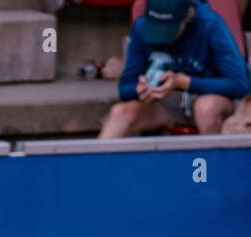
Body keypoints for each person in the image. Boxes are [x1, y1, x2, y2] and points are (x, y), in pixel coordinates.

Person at [100, 0, 250, 137]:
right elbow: (125, 88)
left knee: (205, 108)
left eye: (168, 29)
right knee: (119, 113)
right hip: (165, 103)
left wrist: (183, 82)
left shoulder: (210, 25)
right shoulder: (141, 26)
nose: (160, 36)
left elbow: (240, 84)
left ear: (188, 16)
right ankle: (92, 165)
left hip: (209, 97)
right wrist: (140, 89)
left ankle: (207, 165)